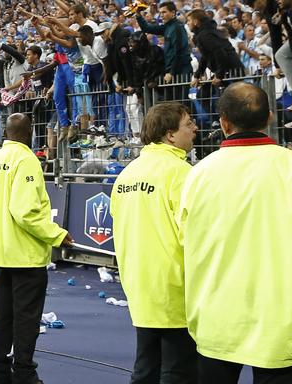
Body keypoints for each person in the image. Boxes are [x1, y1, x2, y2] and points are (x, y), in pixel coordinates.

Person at [178, 83, 292, 383]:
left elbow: (185, 239)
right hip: (279, 319)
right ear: (271, 118)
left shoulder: (198, 174)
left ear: (223, 122)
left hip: (215, 317)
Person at [110, 103, 198, 384]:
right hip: (175, 288)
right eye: (188, 123)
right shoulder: (180, 173)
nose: (195, 128)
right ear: (170, 135)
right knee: (177, 370)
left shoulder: (127, 173)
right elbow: (194, 234)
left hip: (139, 284)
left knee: (146, 366)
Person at [0, 113, 73, 384]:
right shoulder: (26, 160)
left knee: (3, 314)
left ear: (6, 132)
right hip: (26, 252)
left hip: (3, 248)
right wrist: (56, 234)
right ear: (30, 132)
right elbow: (25, 212)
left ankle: (0, 370)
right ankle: (23, 372)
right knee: (26, 318)